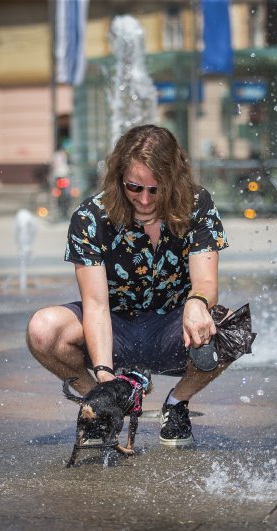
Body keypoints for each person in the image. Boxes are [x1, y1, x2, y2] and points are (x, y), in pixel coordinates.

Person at [26, 124, 230, 446]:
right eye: (135, 188)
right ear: (120, 179)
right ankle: (100, 405)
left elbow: (206, 280)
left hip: (171, 327)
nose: (145, 199)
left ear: (174, 181)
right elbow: (95, 305)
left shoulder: (196, 203)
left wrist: (197, 303)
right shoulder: (90, 217)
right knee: (43, 329)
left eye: (156, 189)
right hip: (114, 326)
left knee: (229, 327)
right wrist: (105, 374)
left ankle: (176, 404)